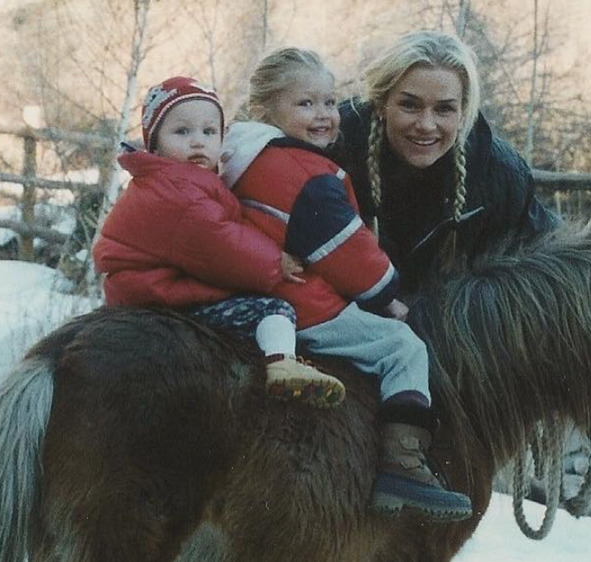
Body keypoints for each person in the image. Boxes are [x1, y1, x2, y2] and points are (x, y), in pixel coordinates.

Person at [221, 48, 473, 521]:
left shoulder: (240, 158)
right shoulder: (304, 174)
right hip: (304, 304)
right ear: (264, 110)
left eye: (328, 102)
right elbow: (346, 251)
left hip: (255, 296)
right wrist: (388, 295)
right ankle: (403, 463)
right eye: (305, 104)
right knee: (402, 347)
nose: (322, 116)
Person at [92, 76, 346, 408]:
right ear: (154, 145)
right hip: (158, 296)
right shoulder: (178, 191)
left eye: (209, 132)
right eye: (182, 132)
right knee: (275, 308)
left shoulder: (177, 181)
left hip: (153, 285)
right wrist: (275, 261)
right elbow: (219, 243)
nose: (198, 143)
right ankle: (282, 362)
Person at [334, 30, 559, 293]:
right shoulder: (336, 141)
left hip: (453, 323)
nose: (426, 125)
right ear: (382, 103)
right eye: (409, 105)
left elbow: (546, 255)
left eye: (444, 109)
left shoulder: (499, 173)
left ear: (463, 113)